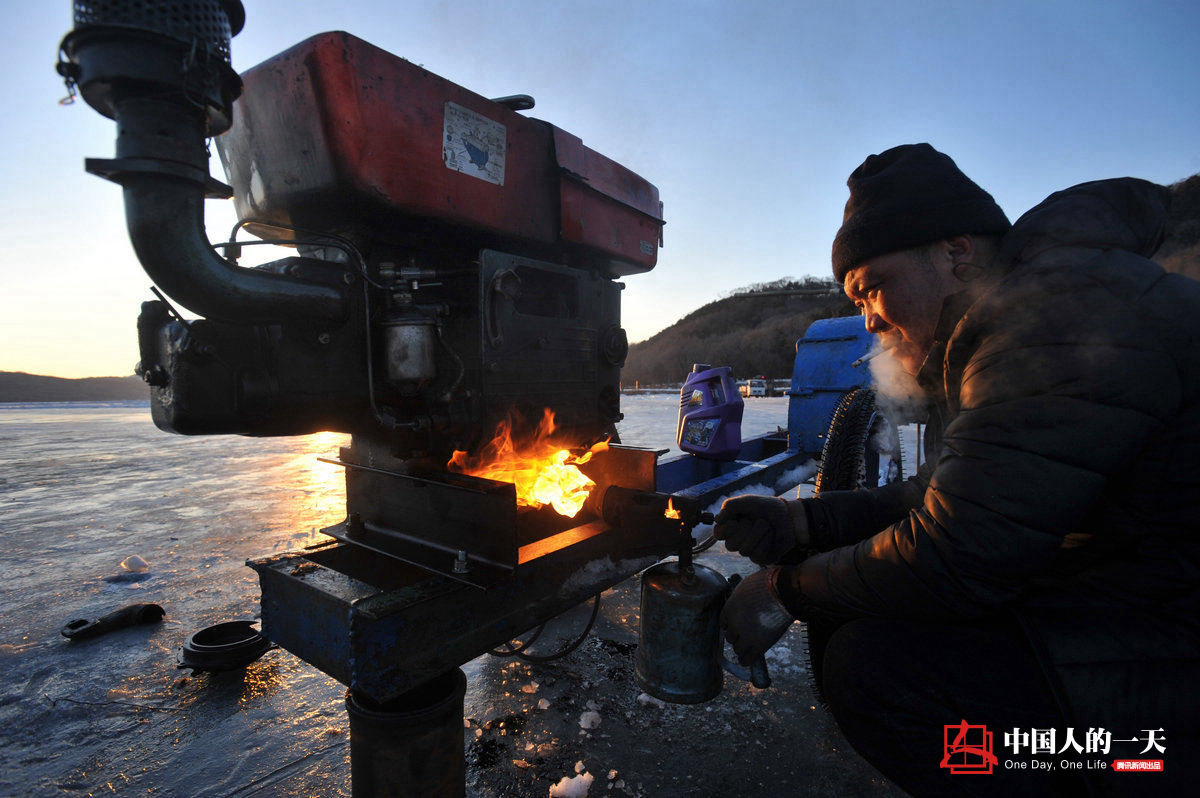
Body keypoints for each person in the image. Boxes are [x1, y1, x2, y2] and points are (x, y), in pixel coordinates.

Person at [714, 143, 1200, 797]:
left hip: (1165, 658)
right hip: (1121, 596)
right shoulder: (1020, 314)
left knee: (879, 672)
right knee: (858, 617)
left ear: (956, 253)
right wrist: (804, 521)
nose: (869, 319)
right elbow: (943, 493)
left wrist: (783, 590)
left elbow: (960, 556)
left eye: (873, 287)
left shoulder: (1057, 318)